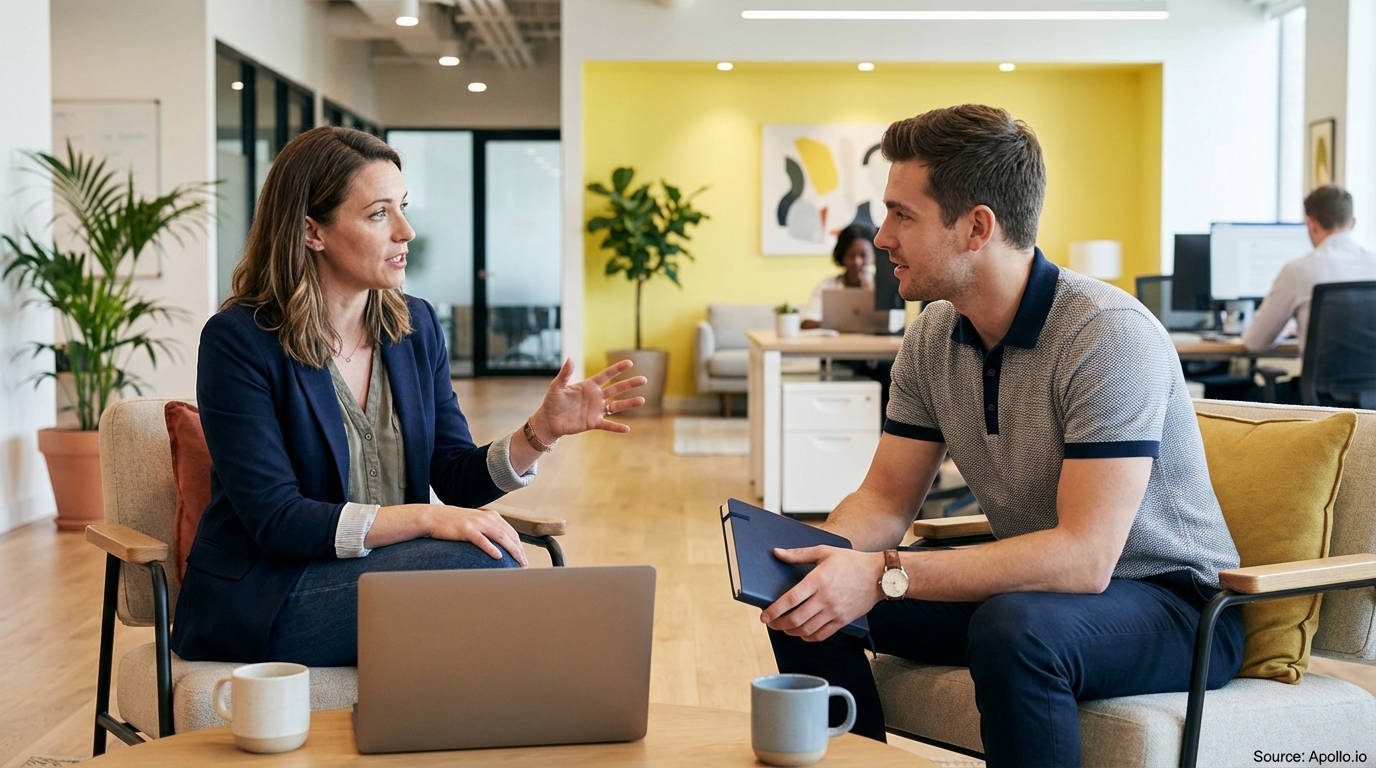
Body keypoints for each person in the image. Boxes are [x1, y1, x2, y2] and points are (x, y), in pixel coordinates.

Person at [760, 105, 1242, 767]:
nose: (881, 237)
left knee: (1013, 630)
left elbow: (1084, 557)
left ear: (976, 227)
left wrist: (886, 574)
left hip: (1176, 605)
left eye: (902, 214)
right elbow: (885, 499)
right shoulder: (932, 335)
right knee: (808, 602)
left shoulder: (1107, 335)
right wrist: (824, 561)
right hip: (1042, 593)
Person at [170, 126, 647, 667]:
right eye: (379, 214)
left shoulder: (415, 326)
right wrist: (425, 518)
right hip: (273, 593)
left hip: (387, 574)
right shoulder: (239, 341)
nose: (407, 231)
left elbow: (452, 474)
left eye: (403, 207)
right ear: (311, 232)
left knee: (489, 584)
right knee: (486, 575)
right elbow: (277, 520)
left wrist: (541, 431)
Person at [1243, 184, 1376, 357]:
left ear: (1311, 224)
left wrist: (1285, 329)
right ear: (1352, 223)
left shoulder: (1297, 271)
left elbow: (1255, 342)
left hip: (1320, 384)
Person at [800, 223, 877, 329]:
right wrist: (842, 325)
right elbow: (807, 322)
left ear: (873, 256)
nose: (857, 262)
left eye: (863, 255)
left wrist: (869, 293)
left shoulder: (882, 286)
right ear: (842, 256)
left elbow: (889, 325)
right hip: (834, 345)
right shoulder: (827, 286)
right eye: (851, 255)